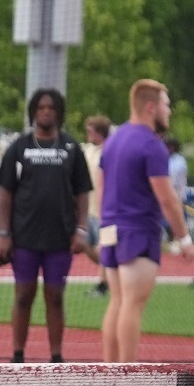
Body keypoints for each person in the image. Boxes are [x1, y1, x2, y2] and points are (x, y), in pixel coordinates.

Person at [98, 81, 194, 363]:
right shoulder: (152, 145)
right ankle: (128, 376)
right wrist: (184, 238)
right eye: (167, 106)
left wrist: (106, 220)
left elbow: (101, 184)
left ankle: (109, 372)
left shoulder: (114, 139)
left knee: (117, 301)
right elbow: (167, 198)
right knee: (132, 304)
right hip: (137, 231)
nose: (169, 112)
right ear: (151, 107)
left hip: (112, 228)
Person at [0, 88, 92, 363]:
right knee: (24, 295)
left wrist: (81, 230)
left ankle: (57, 356)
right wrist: (4, 233)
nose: (45, 112)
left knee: (56, 296)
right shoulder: (19, 147)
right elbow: (5, 192)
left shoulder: (71, 148)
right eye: (40, 107)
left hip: (60, 237)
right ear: (33, 112)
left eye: (51, 108)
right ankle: (17, 354)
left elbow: (83, 192)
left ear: (59, 113)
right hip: (24, 236)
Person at [81, 115, 112, 292]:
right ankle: (114, 272)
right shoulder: (88, 151)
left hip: (105, 210)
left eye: (90, 131)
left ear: (99, 133)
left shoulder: (109, 151)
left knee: (105, 247)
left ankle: (103, 283)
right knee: (86, 246)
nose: (87, 134)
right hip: (89, 209)